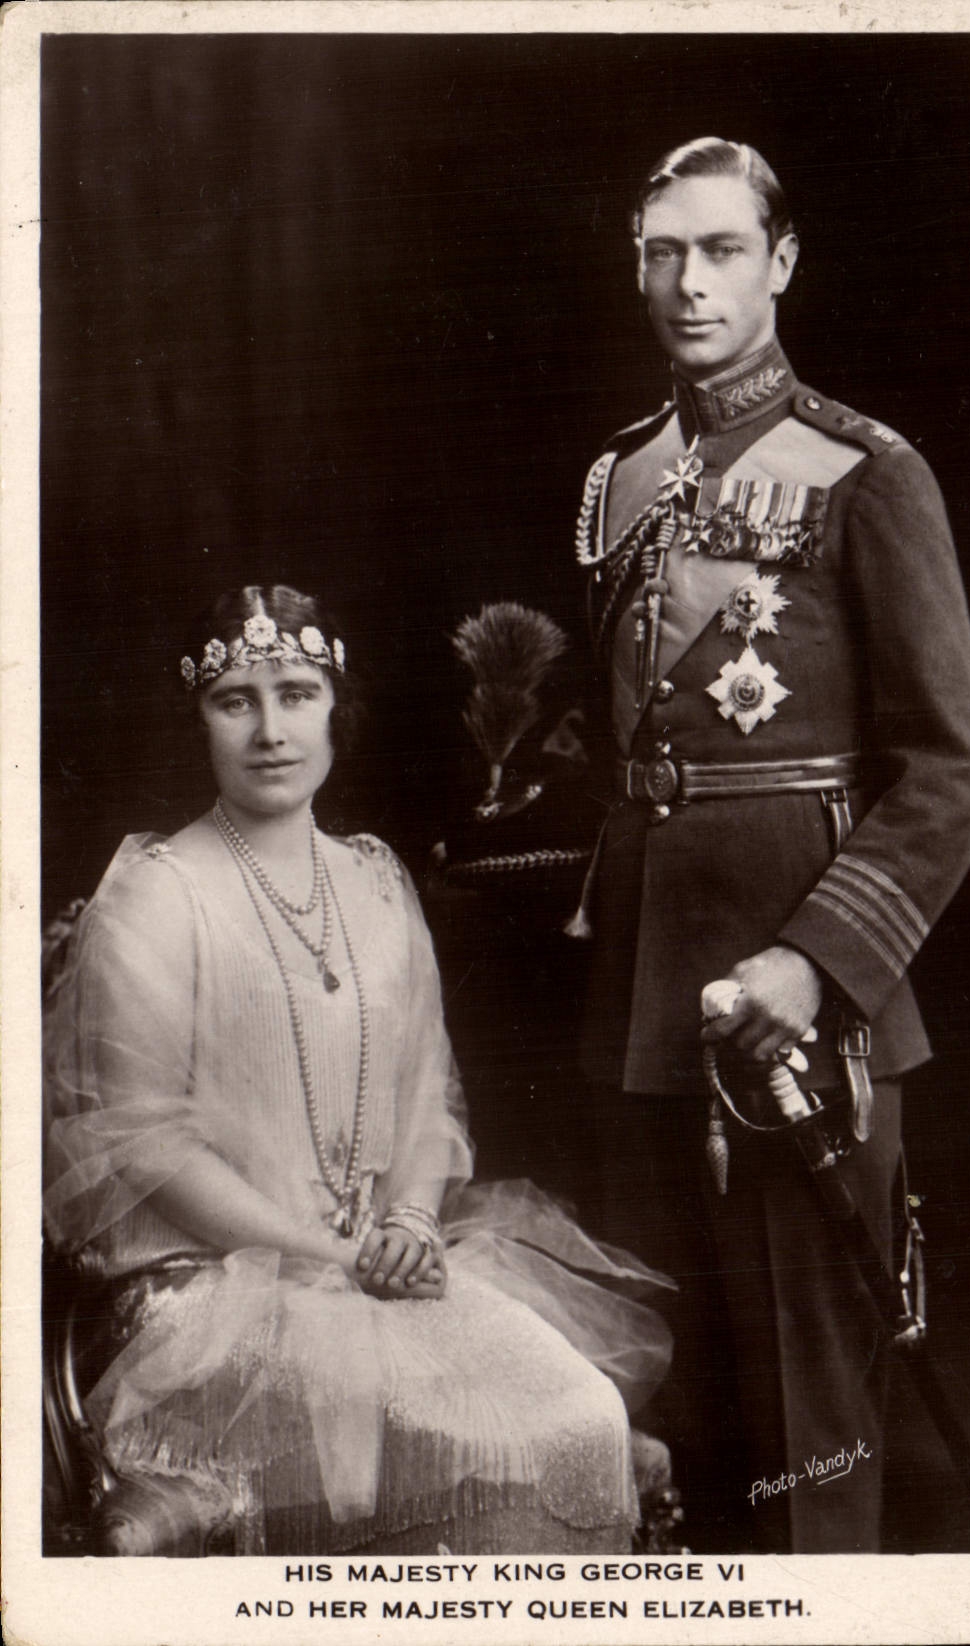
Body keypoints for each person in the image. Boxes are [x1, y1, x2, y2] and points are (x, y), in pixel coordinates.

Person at [43, 583, 672, 1556]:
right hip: (196, 1299)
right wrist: (337, 1257)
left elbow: (429, 1099)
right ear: (198, 718)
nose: (269, 730)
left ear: (338, 706)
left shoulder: (378, 881)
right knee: (480, 1429)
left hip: (375, 1268)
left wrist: (413, 1220)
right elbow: (148, 1144)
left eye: (296, 691)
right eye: (234, 700)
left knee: (580, 1410)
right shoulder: (155, 895)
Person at [571, 138, 970, 1552]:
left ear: (783, 260)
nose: (686, 283)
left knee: (815, 1427)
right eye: (660, 253)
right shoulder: (620, 482)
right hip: (639, 999)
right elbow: (639, 750)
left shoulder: (865, 470)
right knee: (664, 1405)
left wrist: (821, 965)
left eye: (720, 249)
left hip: (799, 1004)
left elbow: (951, 772)